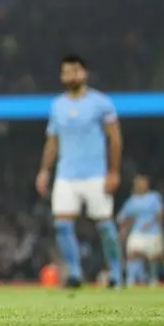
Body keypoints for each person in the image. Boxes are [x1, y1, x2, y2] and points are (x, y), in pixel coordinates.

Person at [36, 55, 123, 288]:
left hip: (96, 173)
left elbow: (114, 138)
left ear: (84, 73)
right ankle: (74, 273)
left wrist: (113, 172)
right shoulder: (57, 106)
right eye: (65, 72)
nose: (70, 76)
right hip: (66, 174)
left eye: (74, 71)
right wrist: (44, 170)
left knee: (104, 224)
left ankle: (116, 273)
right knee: (62, 224)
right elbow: (52, 142)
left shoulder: (101, 103)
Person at [118, 174, 164, 286]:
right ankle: (131, 279)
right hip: (137, 231)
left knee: (152, 256)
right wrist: (124, 228)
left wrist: (151, 223)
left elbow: (160, 213)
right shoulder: (132, 200)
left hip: (153, 231)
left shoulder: (154, 197)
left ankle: (153, 279)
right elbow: (122, 217)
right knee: (132, 253)